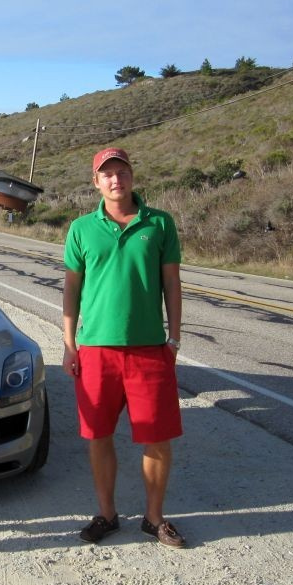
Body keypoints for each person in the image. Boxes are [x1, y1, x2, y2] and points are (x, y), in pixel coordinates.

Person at [61, 147, 186, 549]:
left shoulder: (159, 223)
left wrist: (174, 339)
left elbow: (172, 284)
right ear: (96, 182)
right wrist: (69, 344)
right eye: (107, 174)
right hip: (96, 351)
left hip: (149, 350)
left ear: (132, 176)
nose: (116, 180)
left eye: (122, 172)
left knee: (157, 437)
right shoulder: (81, 228)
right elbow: (72, 289)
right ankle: (107, 514)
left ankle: (154, 518)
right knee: (98, 436)